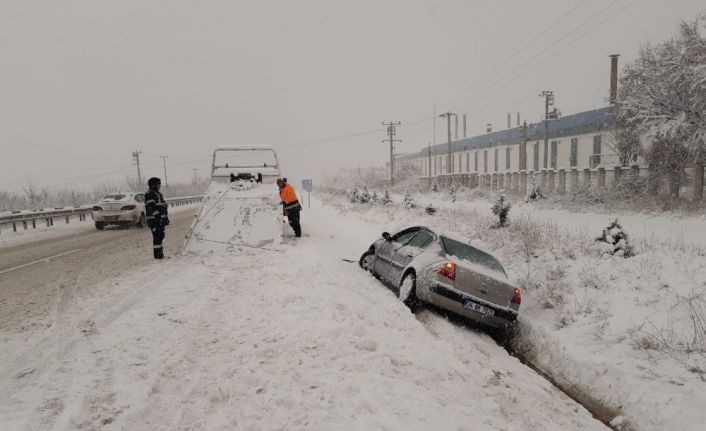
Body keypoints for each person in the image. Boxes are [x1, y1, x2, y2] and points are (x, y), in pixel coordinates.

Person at [145, 177, 170, 259]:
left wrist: (165, 218)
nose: (159, 185)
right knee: (157, 237)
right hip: (154, 220)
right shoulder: (150, 194)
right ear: (153, 185)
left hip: (160, 220)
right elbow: (152, 207)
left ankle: (160, 255)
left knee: (161, 236)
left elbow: (163, 206)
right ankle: (158, 256)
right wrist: (158, 218)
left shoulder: (158, 194)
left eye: (160, 184)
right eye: (158, 184)